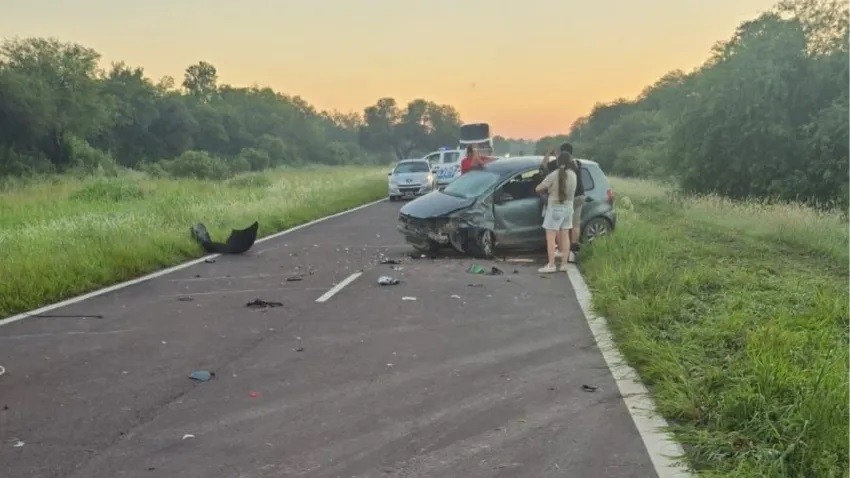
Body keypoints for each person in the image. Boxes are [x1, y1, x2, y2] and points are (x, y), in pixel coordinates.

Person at [534, 151, 576, 273]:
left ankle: (551, 264)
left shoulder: (553, 175)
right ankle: (564, 264)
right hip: (568, 207)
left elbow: (538, 188)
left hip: (555, 207)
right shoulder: (573, 175)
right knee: (565, 235)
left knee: (551, 237)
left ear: (558, 162)